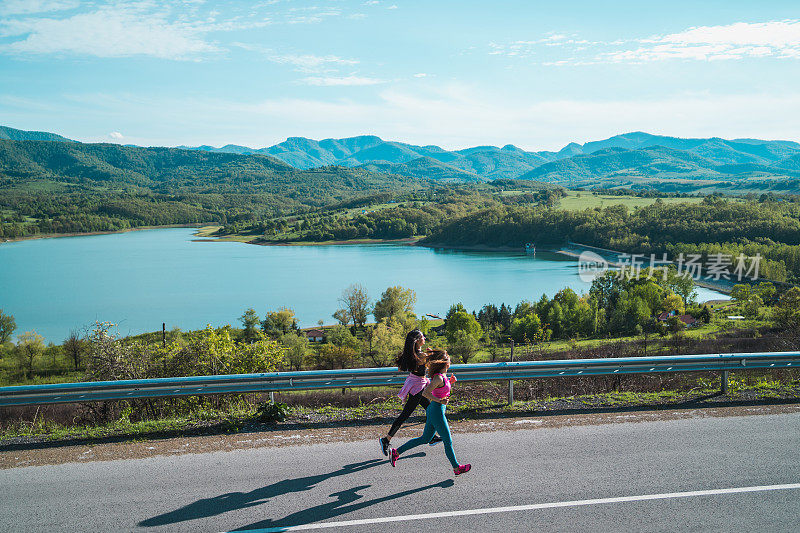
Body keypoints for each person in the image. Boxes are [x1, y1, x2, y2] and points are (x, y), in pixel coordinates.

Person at [389, 350, 471, 476]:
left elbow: (441, 390)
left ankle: (396, 452)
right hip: (436, 411)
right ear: (444, 362)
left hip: (435, 410)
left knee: (425, 439)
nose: (450, 361)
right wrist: (440, 400)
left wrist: (450, 382)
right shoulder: (438, 377)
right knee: (448, 441)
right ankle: (456, 468)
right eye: (448, 359)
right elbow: (425, 393)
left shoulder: (442, 376)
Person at [379, 329, 442, 457]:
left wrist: (428, 355)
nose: (424, 337)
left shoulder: (415, 354)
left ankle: (431, 437)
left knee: (430, 410)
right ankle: (386, 440)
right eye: (422, 336)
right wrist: (431, 354)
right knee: (407, 414)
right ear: (418, 341)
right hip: (417, 388)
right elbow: (439, 358)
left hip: (419, 384)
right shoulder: (420, 355)